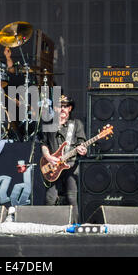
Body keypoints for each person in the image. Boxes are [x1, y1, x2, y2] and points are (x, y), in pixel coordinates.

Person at [40, 94, 87, 223]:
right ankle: (47, 227)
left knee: (72, 198)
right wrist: (48, 157)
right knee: (51, 198)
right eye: (59, 106)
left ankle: (75, 227)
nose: (62, 109)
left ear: (70, 108)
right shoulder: (49, 124)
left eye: (65, 106)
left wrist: (83, 149)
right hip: (53, 167)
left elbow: (81, 143)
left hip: (70, 165)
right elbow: (44, 144)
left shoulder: (76, 124)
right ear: (54, 108)